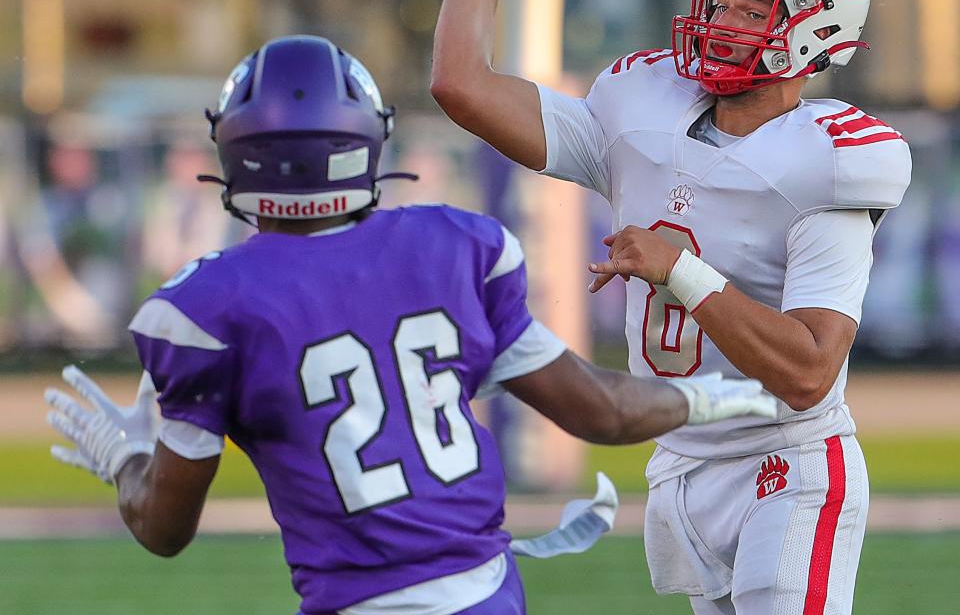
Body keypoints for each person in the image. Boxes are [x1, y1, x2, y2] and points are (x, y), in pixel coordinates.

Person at [45, 35, 774, 615]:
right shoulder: (453, 249)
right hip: (485, 599)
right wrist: (724, 397)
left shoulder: (207, 307)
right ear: (365, 142)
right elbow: (605, 411)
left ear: (236, 154)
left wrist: (126, 461)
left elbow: (164, 529)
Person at [429, 0, 912, 615]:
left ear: (816, 27)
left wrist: (678, 271)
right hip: (680, 458)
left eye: (753, 6)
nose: (721, 19)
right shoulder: (641, 108)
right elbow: (461, 86)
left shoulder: (829, 166)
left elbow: (810, 372)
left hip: (787, 461)